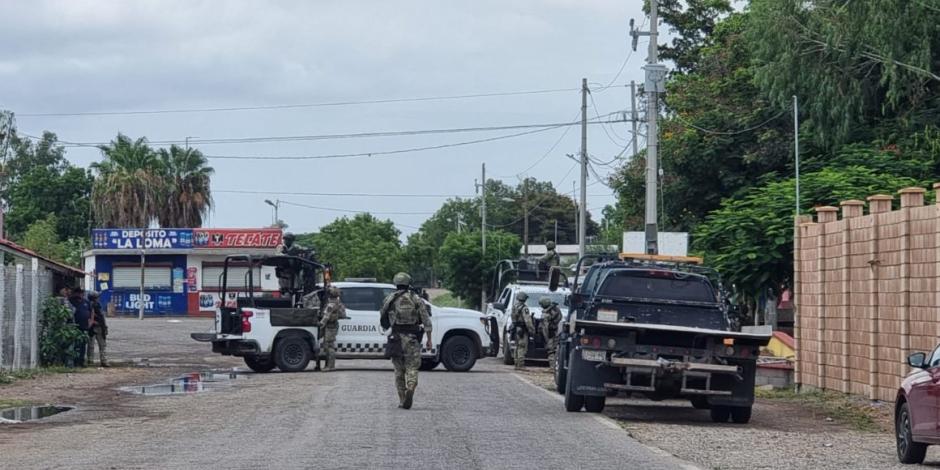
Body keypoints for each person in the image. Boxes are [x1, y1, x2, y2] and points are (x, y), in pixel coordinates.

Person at [380, 272, 432, 410]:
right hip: (412, 339)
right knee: (412, 367)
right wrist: (429, 340)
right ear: (409, 283)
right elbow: (426, 319)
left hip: (395, 338)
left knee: (398, 370)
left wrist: (389, 326)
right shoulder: (415, 298)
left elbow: (382, 316)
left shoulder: (390, 299)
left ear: (395, 283)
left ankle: (402, 399)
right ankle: (411, 386)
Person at [319, 286, 345, 371]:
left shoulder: (331, 304)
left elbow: (326, 316)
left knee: (328, 346)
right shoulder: (338, 303)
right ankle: (329, 365)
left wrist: (320, 324)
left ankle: (330, 366)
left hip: (330, 326)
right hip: (333, 325)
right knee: (329, 345)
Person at [68, 287, 92, 367]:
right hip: (75, 327)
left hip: (85, 327)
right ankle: (75, 362)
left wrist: (90, 322)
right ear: (75, 293)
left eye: (81, 292)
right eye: (78, 292)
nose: (80, 294)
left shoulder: (86, 302)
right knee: (75, 345)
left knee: (83, 345)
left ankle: (81, 362)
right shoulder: (71, 301)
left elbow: (91, 312)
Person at [511, 291, 535, 370]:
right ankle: (521, 365)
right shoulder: (524, 308)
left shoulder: (514, 306)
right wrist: (532, 330)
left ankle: (516, 363)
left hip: (516, 328)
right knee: (522, 346)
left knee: (517, 346)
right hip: (522, 329)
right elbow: (527, 320)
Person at [539, 297, 562, 373]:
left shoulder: (545, 314)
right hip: (556, 332)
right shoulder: (556, 310)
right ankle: (556, 366)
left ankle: (552, 367)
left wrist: (545, 338)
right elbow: (560, 318)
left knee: (550, 350)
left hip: (550, 334)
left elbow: (544, 328)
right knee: (555, 350)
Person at [87, 291, 109, 367]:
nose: (98, 298)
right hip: (92, 328)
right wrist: (93, 322)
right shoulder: (89, 306)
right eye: (97, 297)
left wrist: (105, 326)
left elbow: (102, 317)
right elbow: (88, 316)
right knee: (91, 345)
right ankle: (90, 361)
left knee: (102, 345)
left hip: (100, 327)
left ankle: (103, 361)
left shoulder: (98, 305)